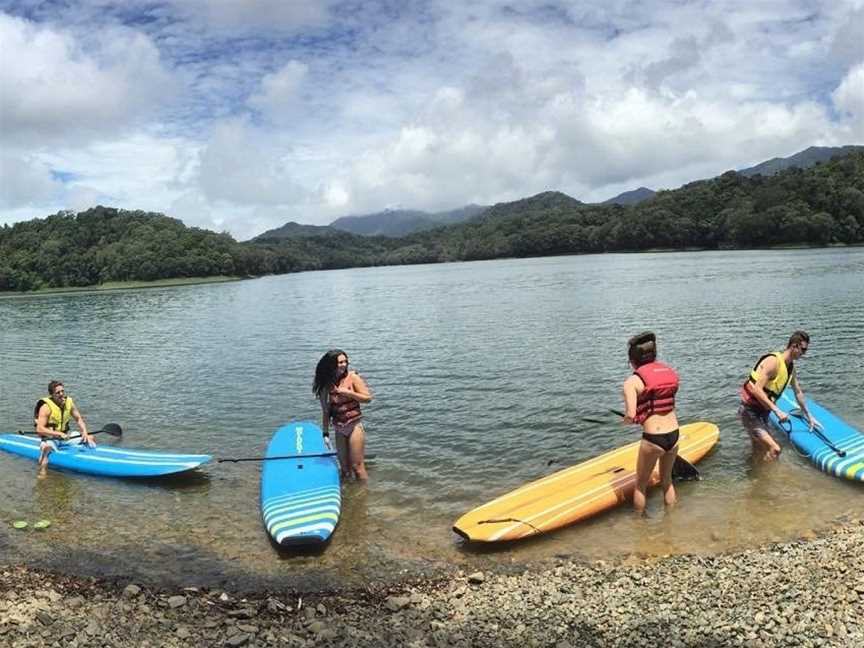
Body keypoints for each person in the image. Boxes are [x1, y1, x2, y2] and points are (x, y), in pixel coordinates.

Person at [621, 332, 680, 514]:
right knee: (666, 480)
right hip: (674, 434)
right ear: (654, 355)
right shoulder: (670, 373)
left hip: (653, 439)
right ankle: (671, 522)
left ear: (632, 360)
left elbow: (631, 415)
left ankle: (639, 529)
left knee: (640, 485)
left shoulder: (631, 382)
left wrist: (627, 419)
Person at [739, 330, 814, 462]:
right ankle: (764, 479)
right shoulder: (773, 362)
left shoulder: (791, 368)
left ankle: (753, 471)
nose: (804, 354)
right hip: (749, 412)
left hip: (763, 413)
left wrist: (809, 416)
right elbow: (757, 390)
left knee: (759, 448)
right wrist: (777, 411)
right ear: (794, 346)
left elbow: (798, 392)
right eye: (803, 349)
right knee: (775, 449)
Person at [313, 350, 372, 481]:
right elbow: (326, 411)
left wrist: (349, 393)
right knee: (345, 470)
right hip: (339, 428)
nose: (344, 364)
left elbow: (368, 398)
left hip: (354, 425)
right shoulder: (326, 386)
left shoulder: (353, 378)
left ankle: (364, 497)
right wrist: (325, 434)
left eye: (345, 361)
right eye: (340, 362)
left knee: (357, 467)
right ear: (331, 364)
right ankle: (347, 495)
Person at [34, 380, 95, 474]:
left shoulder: (69, 403)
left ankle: (90, 460)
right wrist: (58, 433)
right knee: (47, 449)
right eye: (58, 392)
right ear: (52, 394)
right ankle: (42, 472)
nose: (61, 394)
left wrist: (84, 432)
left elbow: (79, 418)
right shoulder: (46, 407)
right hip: (50, 438)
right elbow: (40, 429)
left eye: (62, 391)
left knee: (90, 438)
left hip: (66, 437)